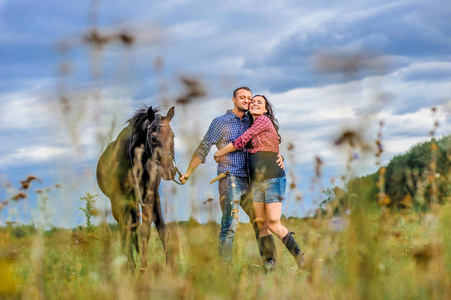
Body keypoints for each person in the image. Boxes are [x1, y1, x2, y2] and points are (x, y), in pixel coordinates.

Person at [179, 87, 282, 266]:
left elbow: (269, 142)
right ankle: (225, 269)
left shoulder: (254, 121)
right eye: (242, 97)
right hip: (230, 178)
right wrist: (188, 172)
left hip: (251, 180)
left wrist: (279, 157)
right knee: (230, 225)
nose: (247, 101)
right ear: (233, 99)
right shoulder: (220, 122)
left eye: (250, 98)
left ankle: (270, 264)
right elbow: (204, 147)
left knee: (261, 222)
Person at [214, 95, 304, 269]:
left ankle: (300, 257)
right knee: (262, 224)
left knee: (273, 223)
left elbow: (240, 141)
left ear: (265, 109)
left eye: (259, 102)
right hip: (256, 182)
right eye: (252, 102)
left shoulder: (263, 120)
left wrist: (219, 153)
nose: (254, 103)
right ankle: (269, 265)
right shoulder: (253, 125)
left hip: (272, 179)